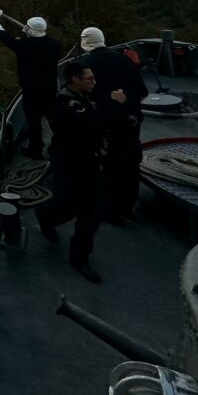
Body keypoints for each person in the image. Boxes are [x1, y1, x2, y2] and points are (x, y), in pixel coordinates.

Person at [35, 61, 126, 283]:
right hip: (70, 162)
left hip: (89, 163)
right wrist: (115, 105)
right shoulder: (66, 103)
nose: (94, 82)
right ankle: (46, 216)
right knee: (67, 204)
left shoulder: (85, 98)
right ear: (75, 80)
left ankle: (79, 257)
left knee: (91, 211)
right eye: (89, 79)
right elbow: (90, 126)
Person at [79, 27, 148, 224]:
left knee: (108, 165)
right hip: (131, 122)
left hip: (107, 124)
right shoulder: (124, 59)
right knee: (130, 164)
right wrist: (126, 100)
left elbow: (84, 97)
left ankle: (109, 210)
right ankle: (127, 206)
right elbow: (142, 91)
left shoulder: (86, 64)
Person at [0, 7, 62, 158]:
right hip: (50, 88)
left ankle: (36, 150)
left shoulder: (23, 46)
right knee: (54, 119)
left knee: (33, 121)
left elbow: (1, 34)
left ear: (31, 30)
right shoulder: (54, 44)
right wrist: (27, 34)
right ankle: (62, 144)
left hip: (31, 91)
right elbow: (37, 43)